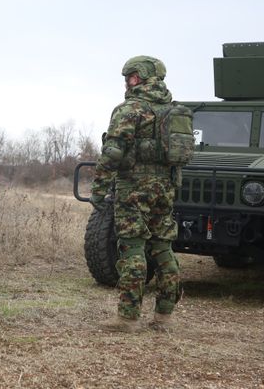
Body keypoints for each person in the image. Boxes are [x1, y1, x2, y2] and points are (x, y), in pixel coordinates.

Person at [90, 56, 182, 332]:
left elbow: (113, 152)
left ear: (137, 77)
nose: (126, 82)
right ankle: (164, 315)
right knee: (163, 247)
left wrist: (99, 187)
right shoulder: (174, 111)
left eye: (128, 76)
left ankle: (128, 317)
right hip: (164, 189)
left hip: (133, 189)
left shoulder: (130, 109)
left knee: (132, 248)